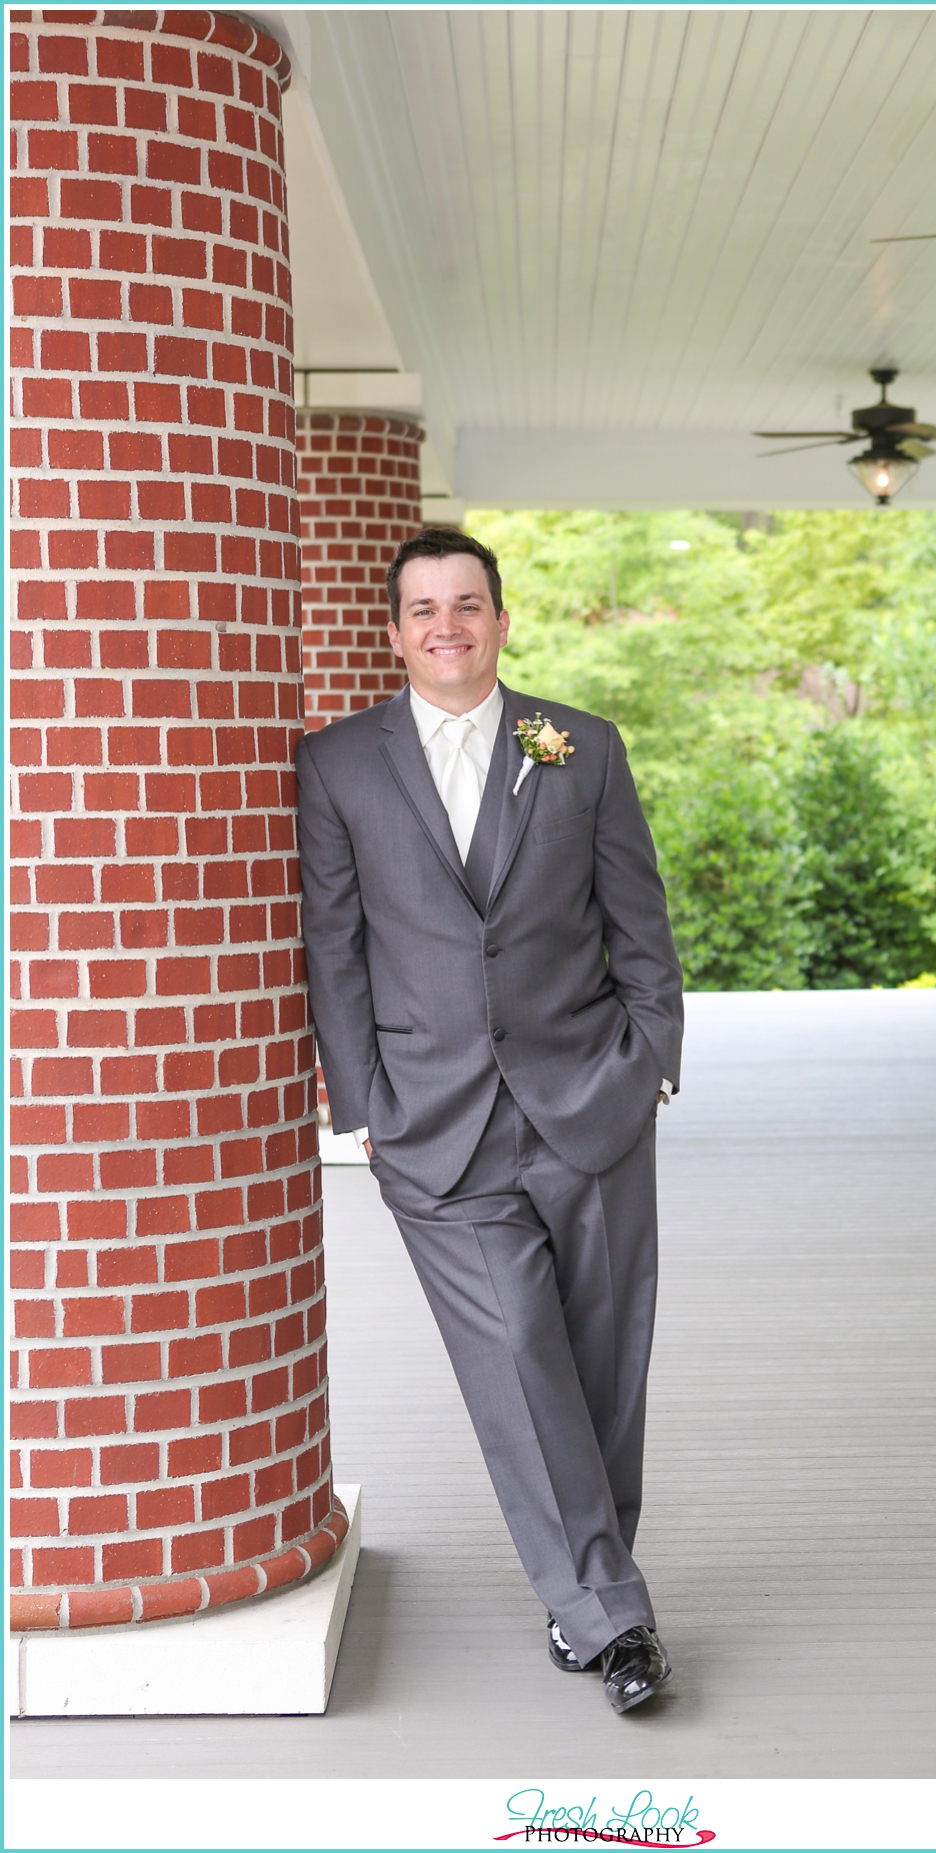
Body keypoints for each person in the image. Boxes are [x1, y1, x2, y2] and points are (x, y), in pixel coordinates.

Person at [295, 527, 684, 1714]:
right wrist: (363, 1105)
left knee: (606, 1364)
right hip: (437, 1125)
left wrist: (652, 1054)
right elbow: (336, 944)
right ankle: (612, 1617)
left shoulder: (578, 746)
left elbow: (638, 912)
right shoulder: (337, 764)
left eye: (468, 604)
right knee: (520, 1355)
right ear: (395, 629)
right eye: (422, 608)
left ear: (503, 620)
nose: (446, 625)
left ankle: (586, 1578)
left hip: (591, 1101)